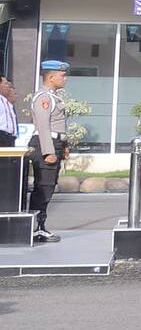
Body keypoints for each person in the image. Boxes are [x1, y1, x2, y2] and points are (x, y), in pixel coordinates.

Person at [25, 60, 70, 243]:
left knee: (49, 186)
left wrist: (64, 146)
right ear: (51, 77)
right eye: (62, 75)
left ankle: (40, 226)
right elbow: (43, 126)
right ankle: (36, 228)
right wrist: (48, 151)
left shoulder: (53, 97)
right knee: (43, 187)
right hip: (46, 144)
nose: (65, 78)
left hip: (54, 143)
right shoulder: (44, 97)